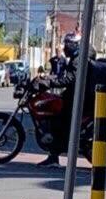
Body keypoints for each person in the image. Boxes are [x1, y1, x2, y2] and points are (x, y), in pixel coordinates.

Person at [35, 31, 90, 167]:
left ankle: (54, 156)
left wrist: (50, 83)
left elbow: (70, 79)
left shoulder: (77, 60)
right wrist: (49, 78)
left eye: (68, 44)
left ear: (75, 45)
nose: (65, 47)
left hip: (76, 98)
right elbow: (64, 76)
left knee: (57, 123)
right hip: (74, 95)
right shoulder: (76, 58)